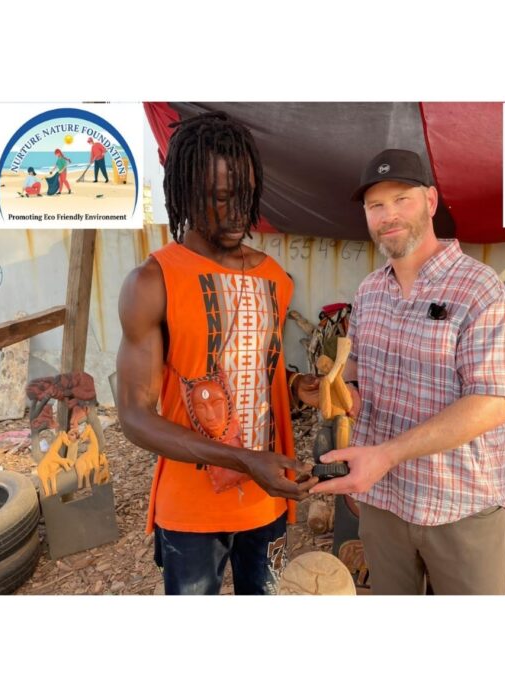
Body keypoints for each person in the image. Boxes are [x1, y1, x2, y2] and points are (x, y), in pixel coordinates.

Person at [116, 111, 317, 595]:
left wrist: (293, 385)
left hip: (266, 500)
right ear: (185, 193)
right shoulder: (151, 282)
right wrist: (245, 459)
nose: (236, 216)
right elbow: (133, 416)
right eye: (220, 199)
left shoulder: (274, 277)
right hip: (190, 508)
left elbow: (251, 363)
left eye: (244, 199)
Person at [309, 149, 505, 595]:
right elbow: (356, 373)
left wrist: (384, 455)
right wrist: (342, 391)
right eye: (376, 206)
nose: (389, 216)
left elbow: (490, 405)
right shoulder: (369, 292)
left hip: (461, 505)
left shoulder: (479, 288)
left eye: (401, 199)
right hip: (385, 503)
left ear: (430, 200)